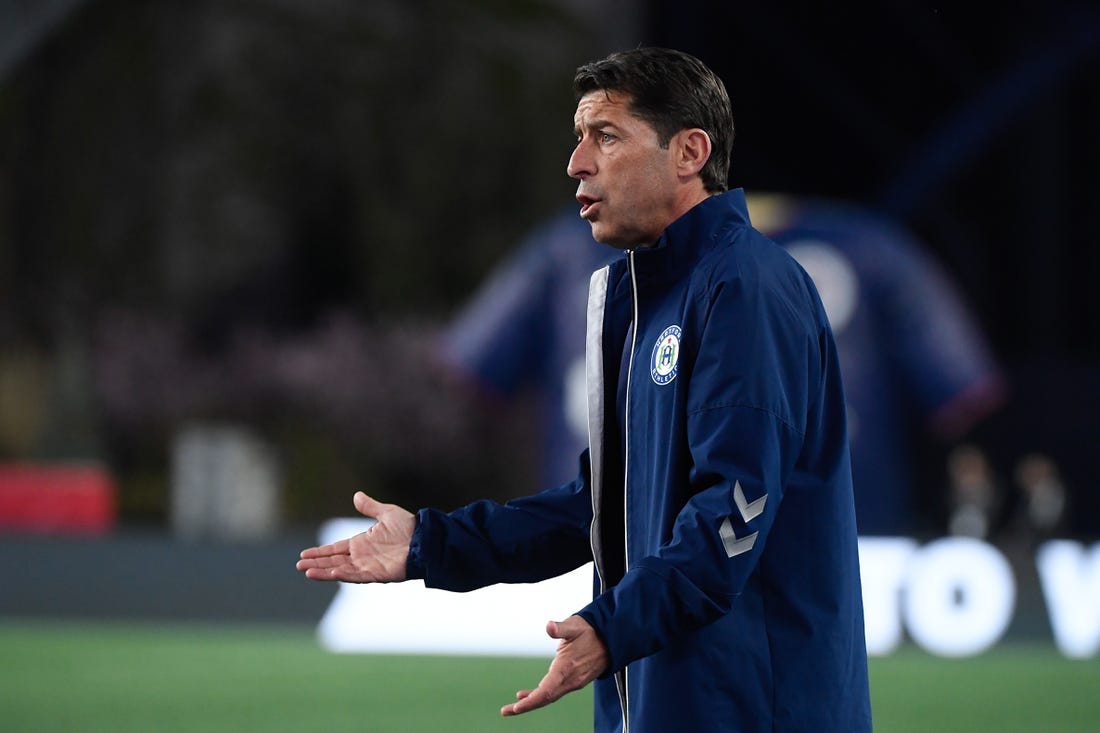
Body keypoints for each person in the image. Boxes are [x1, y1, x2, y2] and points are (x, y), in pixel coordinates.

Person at [297, 47, 872, 732]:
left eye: (605, 136)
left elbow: (733, 511)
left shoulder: (746, 286)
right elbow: (600, 509)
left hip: (754, 713)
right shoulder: (637, 300)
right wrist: (431, 544)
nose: (577, 163)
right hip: (665, 706)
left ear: (689, 151)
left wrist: (609, 626)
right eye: (578, 138)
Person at [442, 194, 1006, 537]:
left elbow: (467, 381)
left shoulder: (571, 246)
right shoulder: (875, 247)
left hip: (610, 547)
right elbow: (963, 396)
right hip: (834, 548)